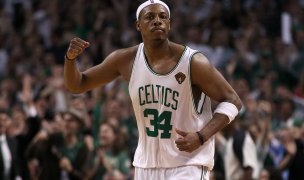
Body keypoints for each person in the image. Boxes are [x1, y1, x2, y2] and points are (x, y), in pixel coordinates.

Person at [63, 0, 242, 179]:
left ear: (169, 24)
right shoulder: (125, 60)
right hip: (146, 166)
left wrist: (202, 136)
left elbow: (233, 100)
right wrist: (70, 60)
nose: (157, 21)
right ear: (138, 25)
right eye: (150, 17)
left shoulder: (193, 62)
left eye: (163, 16)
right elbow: (77, 85)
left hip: (188, 164)